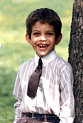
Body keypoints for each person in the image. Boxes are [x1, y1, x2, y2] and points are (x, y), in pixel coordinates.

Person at [13, 8, 75, 123]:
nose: (43, 39)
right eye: (36, 34)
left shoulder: (63, 68)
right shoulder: (23, 68)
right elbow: (19, 101)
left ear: (58, 38)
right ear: (28, 38)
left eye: (49, 34)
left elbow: (67, 107)